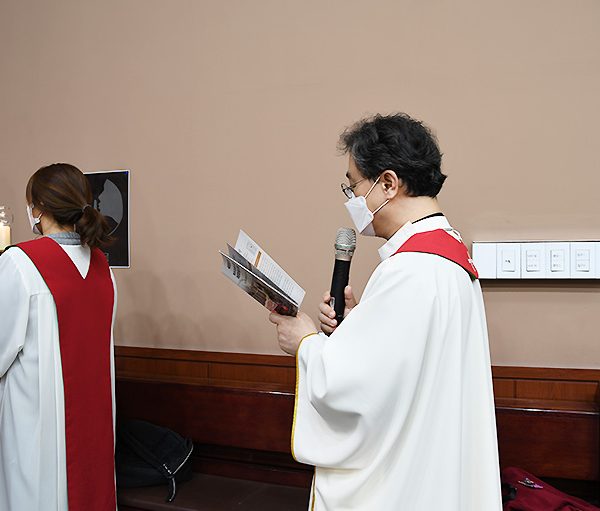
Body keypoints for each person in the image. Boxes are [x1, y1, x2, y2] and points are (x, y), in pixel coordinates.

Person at [269, 114, 502, 510]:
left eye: (353, 185)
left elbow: (359, 391)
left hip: (403, 483)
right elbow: (409, 365)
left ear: (388, 183)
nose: (352, 200)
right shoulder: (448, 254)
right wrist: (361, 323)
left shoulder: (409, 269)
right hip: (433, 463)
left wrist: (305, 343)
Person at [0, 163, 118, 511]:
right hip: (93, 432)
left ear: (37, 209)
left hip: (37, 433)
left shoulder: (21, 264)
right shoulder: (102, 268)